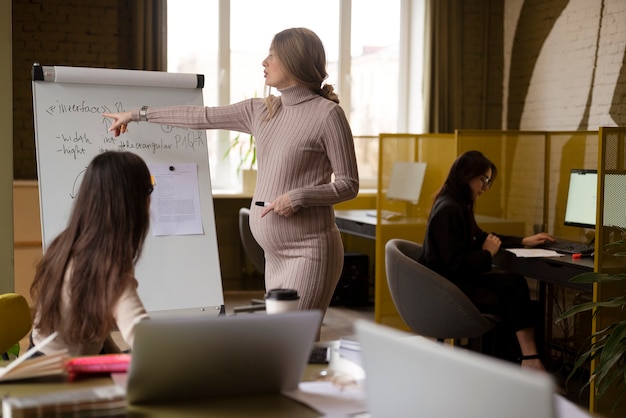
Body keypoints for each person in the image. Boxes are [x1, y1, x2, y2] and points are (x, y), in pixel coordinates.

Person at [103, 28, 359, 321]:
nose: (264, 61)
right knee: (284, 341)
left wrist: (298, 197)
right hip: (274, 256)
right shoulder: (261, 111)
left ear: (294, 61)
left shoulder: (327, 115)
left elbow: (348, 184)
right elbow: (201, 117)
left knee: (292, 340)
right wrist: (137, 115)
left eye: (272, 55)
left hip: (310, 252)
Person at [418, 150, 554, 372]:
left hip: (451, 284)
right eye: (483, 179)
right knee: (514, 288)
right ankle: (530, 360)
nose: (486, 187)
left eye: (488, 181)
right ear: (466, 175)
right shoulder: (450, 209)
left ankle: (528, 360)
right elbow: (452, 265)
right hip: (448, 290)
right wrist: (487, 255)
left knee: (515, 288)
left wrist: (523, 241)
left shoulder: (456, 203)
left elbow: (481, 237)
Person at [30, 151, 152, 356]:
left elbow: (94, 314)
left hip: (38, 357)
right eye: (149, 189)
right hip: (61, 375)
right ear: (133, 202)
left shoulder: (68, 243)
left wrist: (116, 357)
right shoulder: (106, 267)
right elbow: (145, 338)